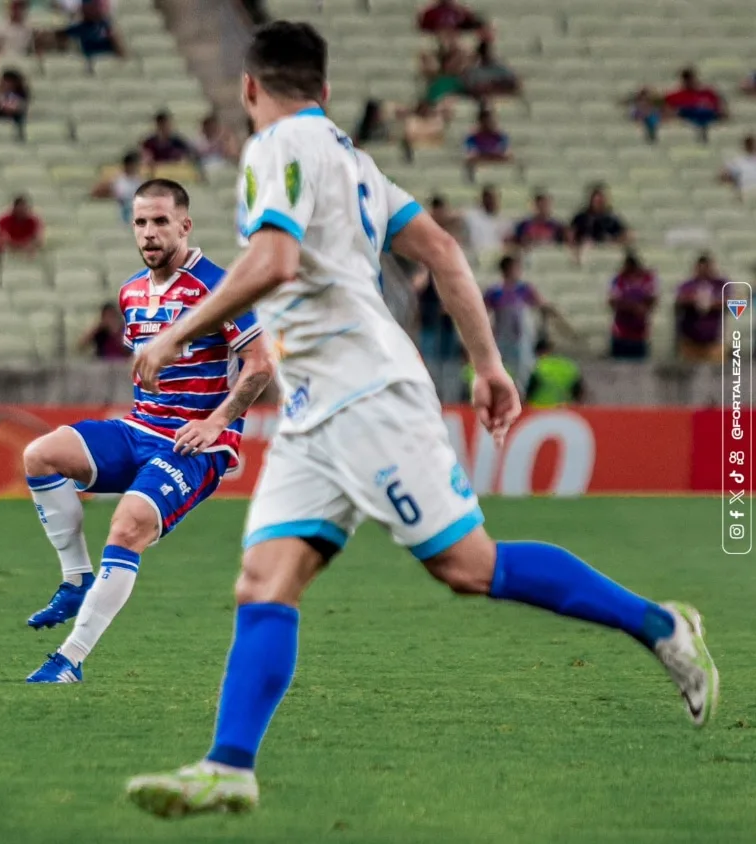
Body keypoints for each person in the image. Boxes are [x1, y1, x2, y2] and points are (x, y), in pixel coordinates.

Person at [124, 21, 715, 818]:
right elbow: (440, 248)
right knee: (265, 581)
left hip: (366, 394)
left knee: (468, 566)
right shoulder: (353, 161)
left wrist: (174, 331)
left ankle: (661, 625)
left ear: (249, 89)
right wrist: (490, 364)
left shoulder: (276, 149)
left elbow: (275, 262)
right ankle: (230, 765)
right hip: (311, 412)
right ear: (327, 91)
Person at [22, 179, 273, 684]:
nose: (149, 232)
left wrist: (217, 421)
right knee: (39, 455)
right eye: (140, 222)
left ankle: (68, 660)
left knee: (128, 523)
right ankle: (75, 580)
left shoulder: (220, 289)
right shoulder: (131, 292)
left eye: (161, 221)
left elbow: (262, 363)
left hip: (194, 444)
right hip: (140, 428)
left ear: (185, 225)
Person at [675, 253, 727, 363]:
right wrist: (697, 301)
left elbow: (729, 301)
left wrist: (709, 302)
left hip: (714, 341)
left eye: (707, 267)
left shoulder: (720, 284)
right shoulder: (688, 284)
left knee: (717, 375)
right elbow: (681, 299)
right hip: (690, 341)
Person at [608, 252, 657, 360]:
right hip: (621, 332)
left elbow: (653, 299)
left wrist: (643, 307)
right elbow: (612, 301)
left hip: (640, 333)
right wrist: (634, 307)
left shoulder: (646, 279)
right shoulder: (619, 279)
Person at [524, 337, 584, 408]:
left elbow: (531, 390)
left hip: (540, 410)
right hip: (564, 410)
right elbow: (578, 391)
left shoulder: (540, 366)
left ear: (541, 352)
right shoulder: (569, 366)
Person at [570, 184, 629, 251]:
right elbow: (571, 235)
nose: (597, 202)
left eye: (600, 199)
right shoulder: (581, 218)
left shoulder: (612, 218)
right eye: (595, 198)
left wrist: (613, 241)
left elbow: (625, 234)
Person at [90, 150, 143, 222]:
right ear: (129, 165)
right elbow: (94, 192)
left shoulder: (140, 181)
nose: (137, 167)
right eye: (136, 164)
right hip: (119, 212)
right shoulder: (117, 180)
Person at [718, 133, 756, 199]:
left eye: (753, 144)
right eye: (749, 144)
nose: (751, 146)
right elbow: (723, 176)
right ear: (745, 146)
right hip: (745, 195)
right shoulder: (738, 162)